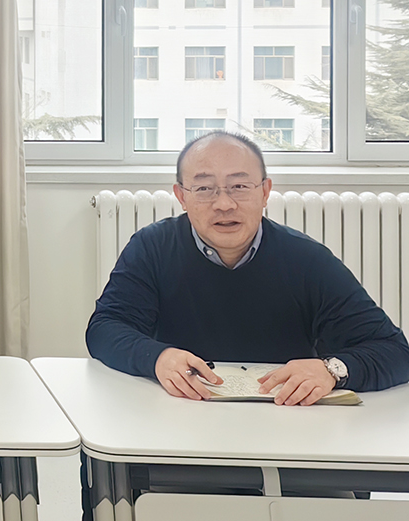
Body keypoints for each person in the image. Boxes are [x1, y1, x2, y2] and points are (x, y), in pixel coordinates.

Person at [87, 130, 409, 405]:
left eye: (239, 186)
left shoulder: (308, 260)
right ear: (181, 196)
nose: (224, 204)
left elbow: (395, 351)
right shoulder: (152, 248)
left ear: (265, 192)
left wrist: (331, 370)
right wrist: (157, 358)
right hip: (182, 412)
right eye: (204, 188)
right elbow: (105, 328)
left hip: (285, 420)